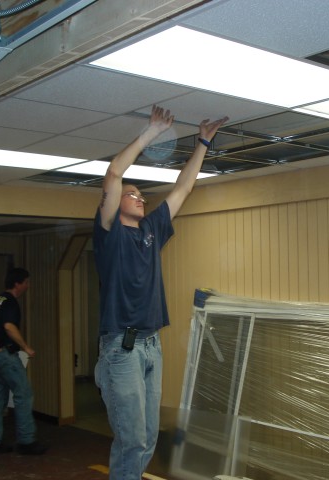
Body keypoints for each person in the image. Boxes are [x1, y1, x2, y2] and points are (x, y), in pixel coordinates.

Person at [93, 105, 228, 479]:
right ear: (114, 203)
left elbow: (184, 187)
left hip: (152, 344)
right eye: (132, 195)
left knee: (148, 436)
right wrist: (151, 132)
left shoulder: (151, 232)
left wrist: (203, 142)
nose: (140, 198)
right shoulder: (109, 235)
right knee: (131, 438)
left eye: (141, 195)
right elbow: (115, 172)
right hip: (121, 348)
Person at [0, 267, 47, 455]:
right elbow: (9, 327)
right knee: (24, 394)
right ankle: (26, 441)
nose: (28, 285)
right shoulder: (10, 302)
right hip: (4, 356)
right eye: (26, 282)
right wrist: (26, 347)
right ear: (18, 283)